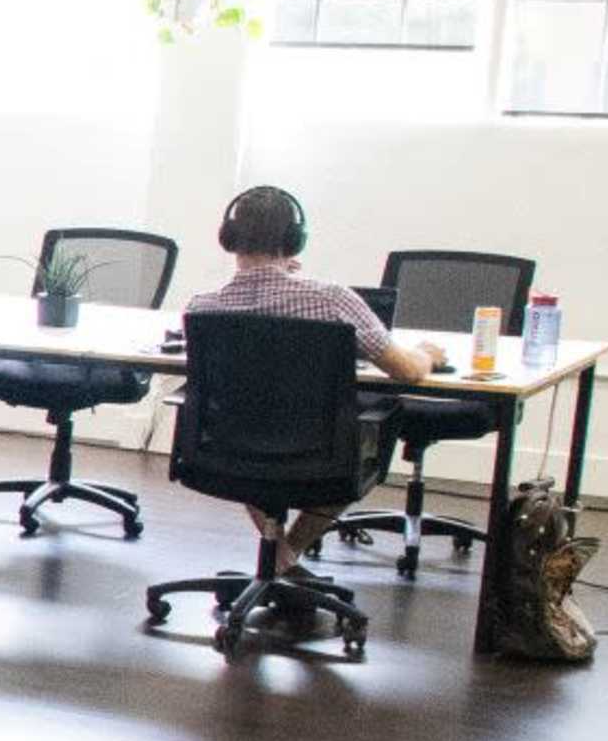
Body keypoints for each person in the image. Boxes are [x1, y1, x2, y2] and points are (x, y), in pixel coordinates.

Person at [183, 184, 444, 563]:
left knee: (244, 430)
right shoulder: (330, 299)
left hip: (226, 452)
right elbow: (405, 370)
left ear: (229, 238)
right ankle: (287, 558)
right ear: (294, 241)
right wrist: (427, 355)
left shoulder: (202, 308)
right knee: (377, 419)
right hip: (321, 455)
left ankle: (279, 557)